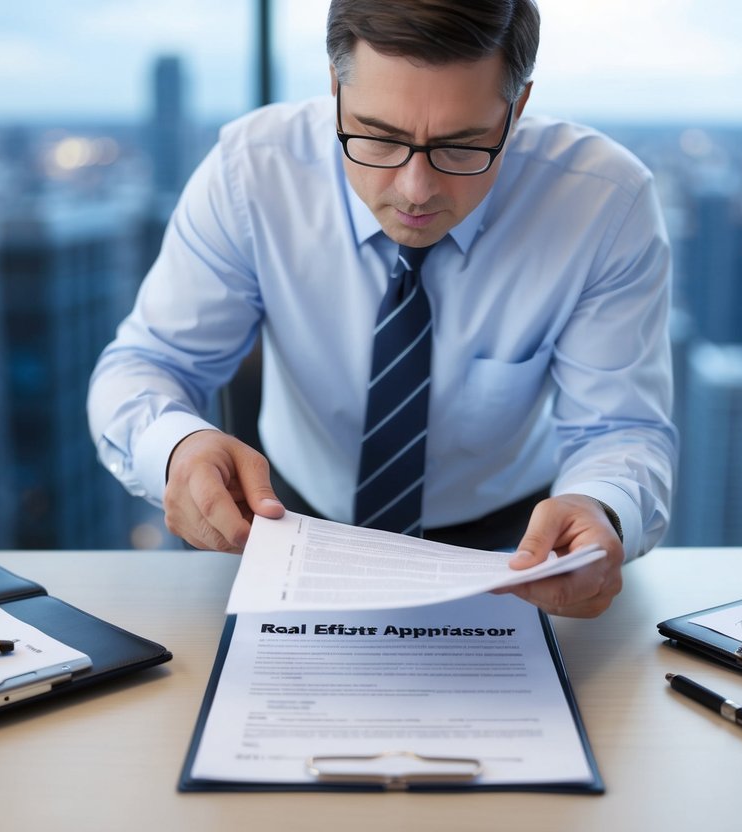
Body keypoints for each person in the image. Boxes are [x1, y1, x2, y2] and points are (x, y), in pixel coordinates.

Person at [88, 0, 676, 618]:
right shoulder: (251, 173)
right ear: (336, 88)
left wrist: (601, 507)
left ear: (517, 109)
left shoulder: (605, 204)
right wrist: (176, 449)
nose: (414, 191)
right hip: (291, 521)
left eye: (461, 146)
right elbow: (148, 363)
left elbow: (620, 428)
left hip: (517, 546)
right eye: (380, 137)